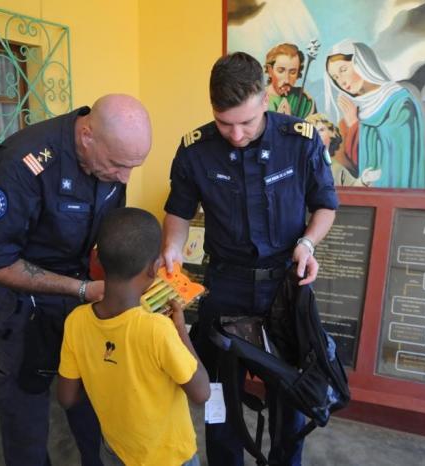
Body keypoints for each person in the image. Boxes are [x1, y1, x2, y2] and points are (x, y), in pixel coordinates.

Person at [162, 52, 338, 466]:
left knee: (290, 396)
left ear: (264, 100)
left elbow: (325, 205)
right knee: (220, 395)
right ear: (212, 109)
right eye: (225, 123)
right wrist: (171, 247)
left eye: (247, 122)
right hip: (226, 287)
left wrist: (309, 243)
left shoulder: (301, 139)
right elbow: (179, 211)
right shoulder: (195, 150)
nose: (237, 134)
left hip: (285, 284)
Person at [0, 94, 152, 466]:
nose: (124, 177)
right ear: (87, 136)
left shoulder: (111, 162)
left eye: (133, 166)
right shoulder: (23, 162)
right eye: (118, 164)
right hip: (19, 311)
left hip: (83, 303)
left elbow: (106, 237)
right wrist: (81, 289)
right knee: (26, 426)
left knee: (93, 409)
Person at [57, 207, 210, 466]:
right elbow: (202, 392)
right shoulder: (159, 329)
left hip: (116, 451)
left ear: (99, 261)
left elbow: (67, 397)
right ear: (155, 268)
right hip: (170, 457)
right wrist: (181, 331)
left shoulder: (76, 321)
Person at [324, 39, 425, 189]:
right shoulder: (358, 108)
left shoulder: (400, 101)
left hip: (394, 190)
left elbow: (398, 153)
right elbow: (353, 163)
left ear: (362, 63)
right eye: (335, 77)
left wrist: (354, 124)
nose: (341, 81)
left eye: (343, 70)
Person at [304, 112, 381, 187]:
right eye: (312, 132)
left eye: (321, 130)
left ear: (332, 133)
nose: (317, 135)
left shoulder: (337, 168)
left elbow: (352, 188)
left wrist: (363, 180)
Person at [265, 43, 316, 118]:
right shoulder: (257, 97)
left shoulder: (305, 101)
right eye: (281, 71)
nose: (286, 80)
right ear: (270, 71)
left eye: (292, 72)